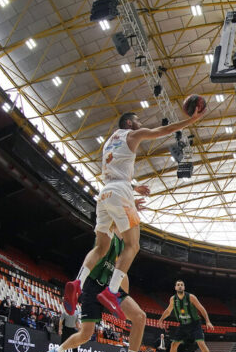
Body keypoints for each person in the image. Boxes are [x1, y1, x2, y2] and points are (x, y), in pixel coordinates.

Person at [63, 105, 206, 319]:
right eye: (137, 121)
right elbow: (161, 132)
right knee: (133, 245)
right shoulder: (132, 134)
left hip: (104, 195)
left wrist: (133, 191)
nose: (140, 124)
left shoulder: (109, 143)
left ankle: (77, 282)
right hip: (120, 191)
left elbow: (115, 173)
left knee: (101, 247)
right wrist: (191, 121)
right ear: (129, 123)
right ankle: (111, 292)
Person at [39, 231, 149, 352]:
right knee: (85, 334)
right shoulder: (109, 228)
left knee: (140, 317)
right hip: (93, 285)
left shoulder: (126, 244)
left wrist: (124, 298)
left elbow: (123, 272)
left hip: (112, 287)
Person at [157, 280, 219, 352]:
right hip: (183, 325)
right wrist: (161, 319)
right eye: (178, 285)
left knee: (201, 344)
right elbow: (168, 311)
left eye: (182, 285)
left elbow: (201, 308)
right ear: (175, 288)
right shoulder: (173, 299)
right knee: (174, 345)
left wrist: (207, 321)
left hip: (195, 324)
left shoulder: (191, 297)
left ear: (184, 287)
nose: (180, 286)